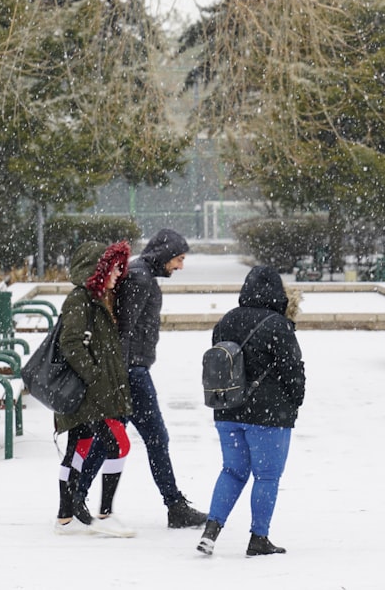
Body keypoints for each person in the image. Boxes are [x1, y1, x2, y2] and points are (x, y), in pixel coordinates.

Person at [82, 228, 207, 528]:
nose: (180, 266)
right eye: (178, 259)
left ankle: (74, 494)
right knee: (156, 438)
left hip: (130, 370)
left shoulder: (141, 274)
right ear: (164, 255)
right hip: (132, 373)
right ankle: (175, 506)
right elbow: (123, 332)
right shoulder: (140, 278)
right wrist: (120, 379)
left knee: (108, 439)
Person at [197, 265, 306, 557]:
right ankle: (258, 538)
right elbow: (292, 370)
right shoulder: (278, 325)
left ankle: (211, 530)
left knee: (232, 471)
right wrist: (296, 401)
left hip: (228, 411)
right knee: (266, 477)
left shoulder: (226, 321)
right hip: (268, 417)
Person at [53, 240, 134, 537]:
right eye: (114, 268)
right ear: (96, 270)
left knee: (80, 448)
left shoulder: (100, 299)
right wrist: (95, 377)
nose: (118, 273)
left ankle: (65, 517)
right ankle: (106, 512)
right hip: (92, 394)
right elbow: (71, 342)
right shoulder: (80, 300)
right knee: (119, 445)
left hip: (94, 393)